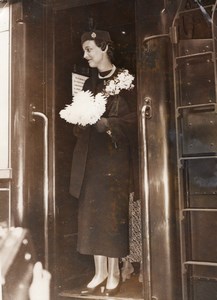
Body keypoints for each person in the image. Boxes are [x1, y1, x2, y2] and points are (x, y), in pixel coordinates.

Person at [69, 29, 139, 296]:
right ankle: (99, 272)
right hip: (91, 158)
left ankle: (114, 274)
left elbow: (136, 120)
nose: (85, 55)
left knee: (111, 215)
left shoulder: (125, 79)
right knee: (92, 213)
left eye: (89, 49)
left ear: (105, 48)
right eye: (85, 49)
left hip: (115, 159)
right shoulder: (88, 84)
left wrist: (108, 124)